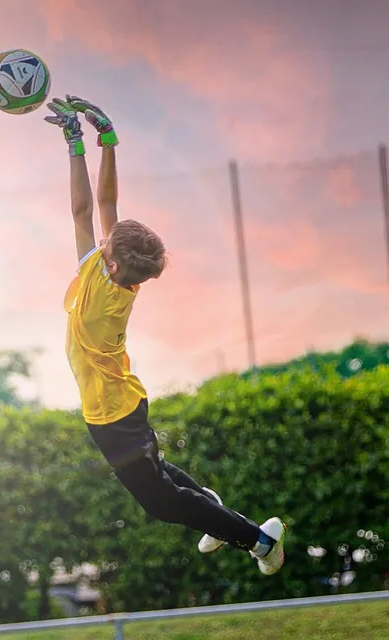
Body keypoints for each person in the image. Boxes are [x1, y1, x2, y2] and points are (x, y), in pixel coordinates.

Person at [45, 95, 286, 575]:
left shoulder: (99, 299)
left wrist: (77, 142)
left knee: (157, 501)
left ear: (112, 261)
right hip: (120, 405)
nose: (101, 235)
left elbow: (82, 210)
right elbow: (100, 204)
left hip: (113, 415)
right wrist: (101, 137)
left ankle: (259, 540)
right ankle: (208, 506)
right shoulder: (112, 272)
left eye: (107, 241)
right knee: (157, 479)